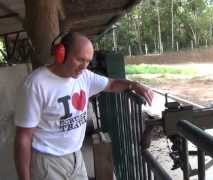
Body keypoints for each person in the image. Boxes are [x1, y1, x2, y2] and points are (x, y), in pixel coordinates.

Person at [14, 32, 153, 180]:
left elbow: (111, 85)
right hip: (48, 162)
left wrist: (133, 84)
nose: (84, 66)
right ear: (61, 53)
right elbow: (23, 137)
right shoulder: (36, 84)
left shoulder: (84, 76)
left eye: (88, 61)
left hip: (76, 157)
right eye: (80, 59)